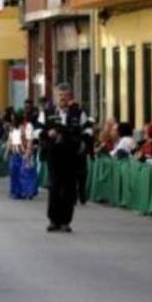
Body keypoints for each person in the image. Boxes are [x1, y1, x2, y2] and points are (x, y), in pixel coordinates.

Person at [41, 83, 93, 232]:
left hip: (71, 154)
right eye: (60, 95)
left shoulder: (78, 113)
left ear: (70, 97)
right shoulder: (47, 112)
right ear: (55, 97)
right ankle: (53, 220)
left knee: (69, 188)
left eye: (65, 95)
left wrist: (84, 142)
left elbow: (88, 129)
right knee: (54, 187)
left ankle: (65, 221)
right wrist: (47, 134)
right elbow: (36, 130)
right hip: (54, 154)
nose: (62, 98)